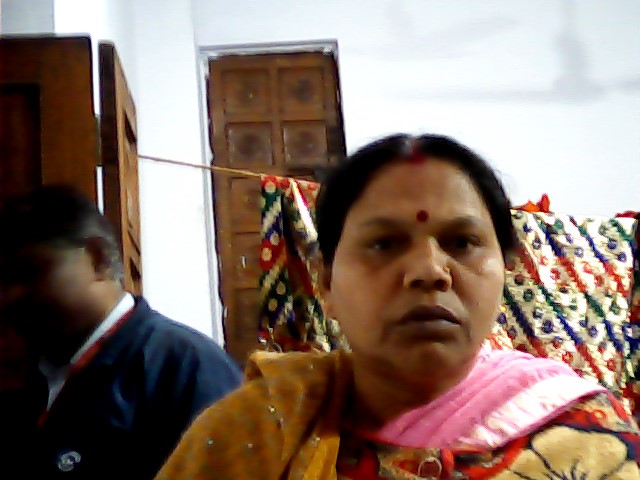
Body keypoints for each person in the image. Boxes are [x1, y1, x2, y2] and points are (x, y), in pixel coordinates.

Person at [156, 135, 640, 480]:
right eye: (384, 244)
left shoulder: (589, 434)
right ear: (326, 282)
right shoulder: (256, 427)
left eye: (462, 242)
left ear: (507, 269)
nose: (429, 271)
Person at [0, 186, 242, 479]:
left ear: (98, 258)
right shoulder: (35, 379)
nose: (9, 296)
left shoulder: (186, 368)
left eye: (29, 271)